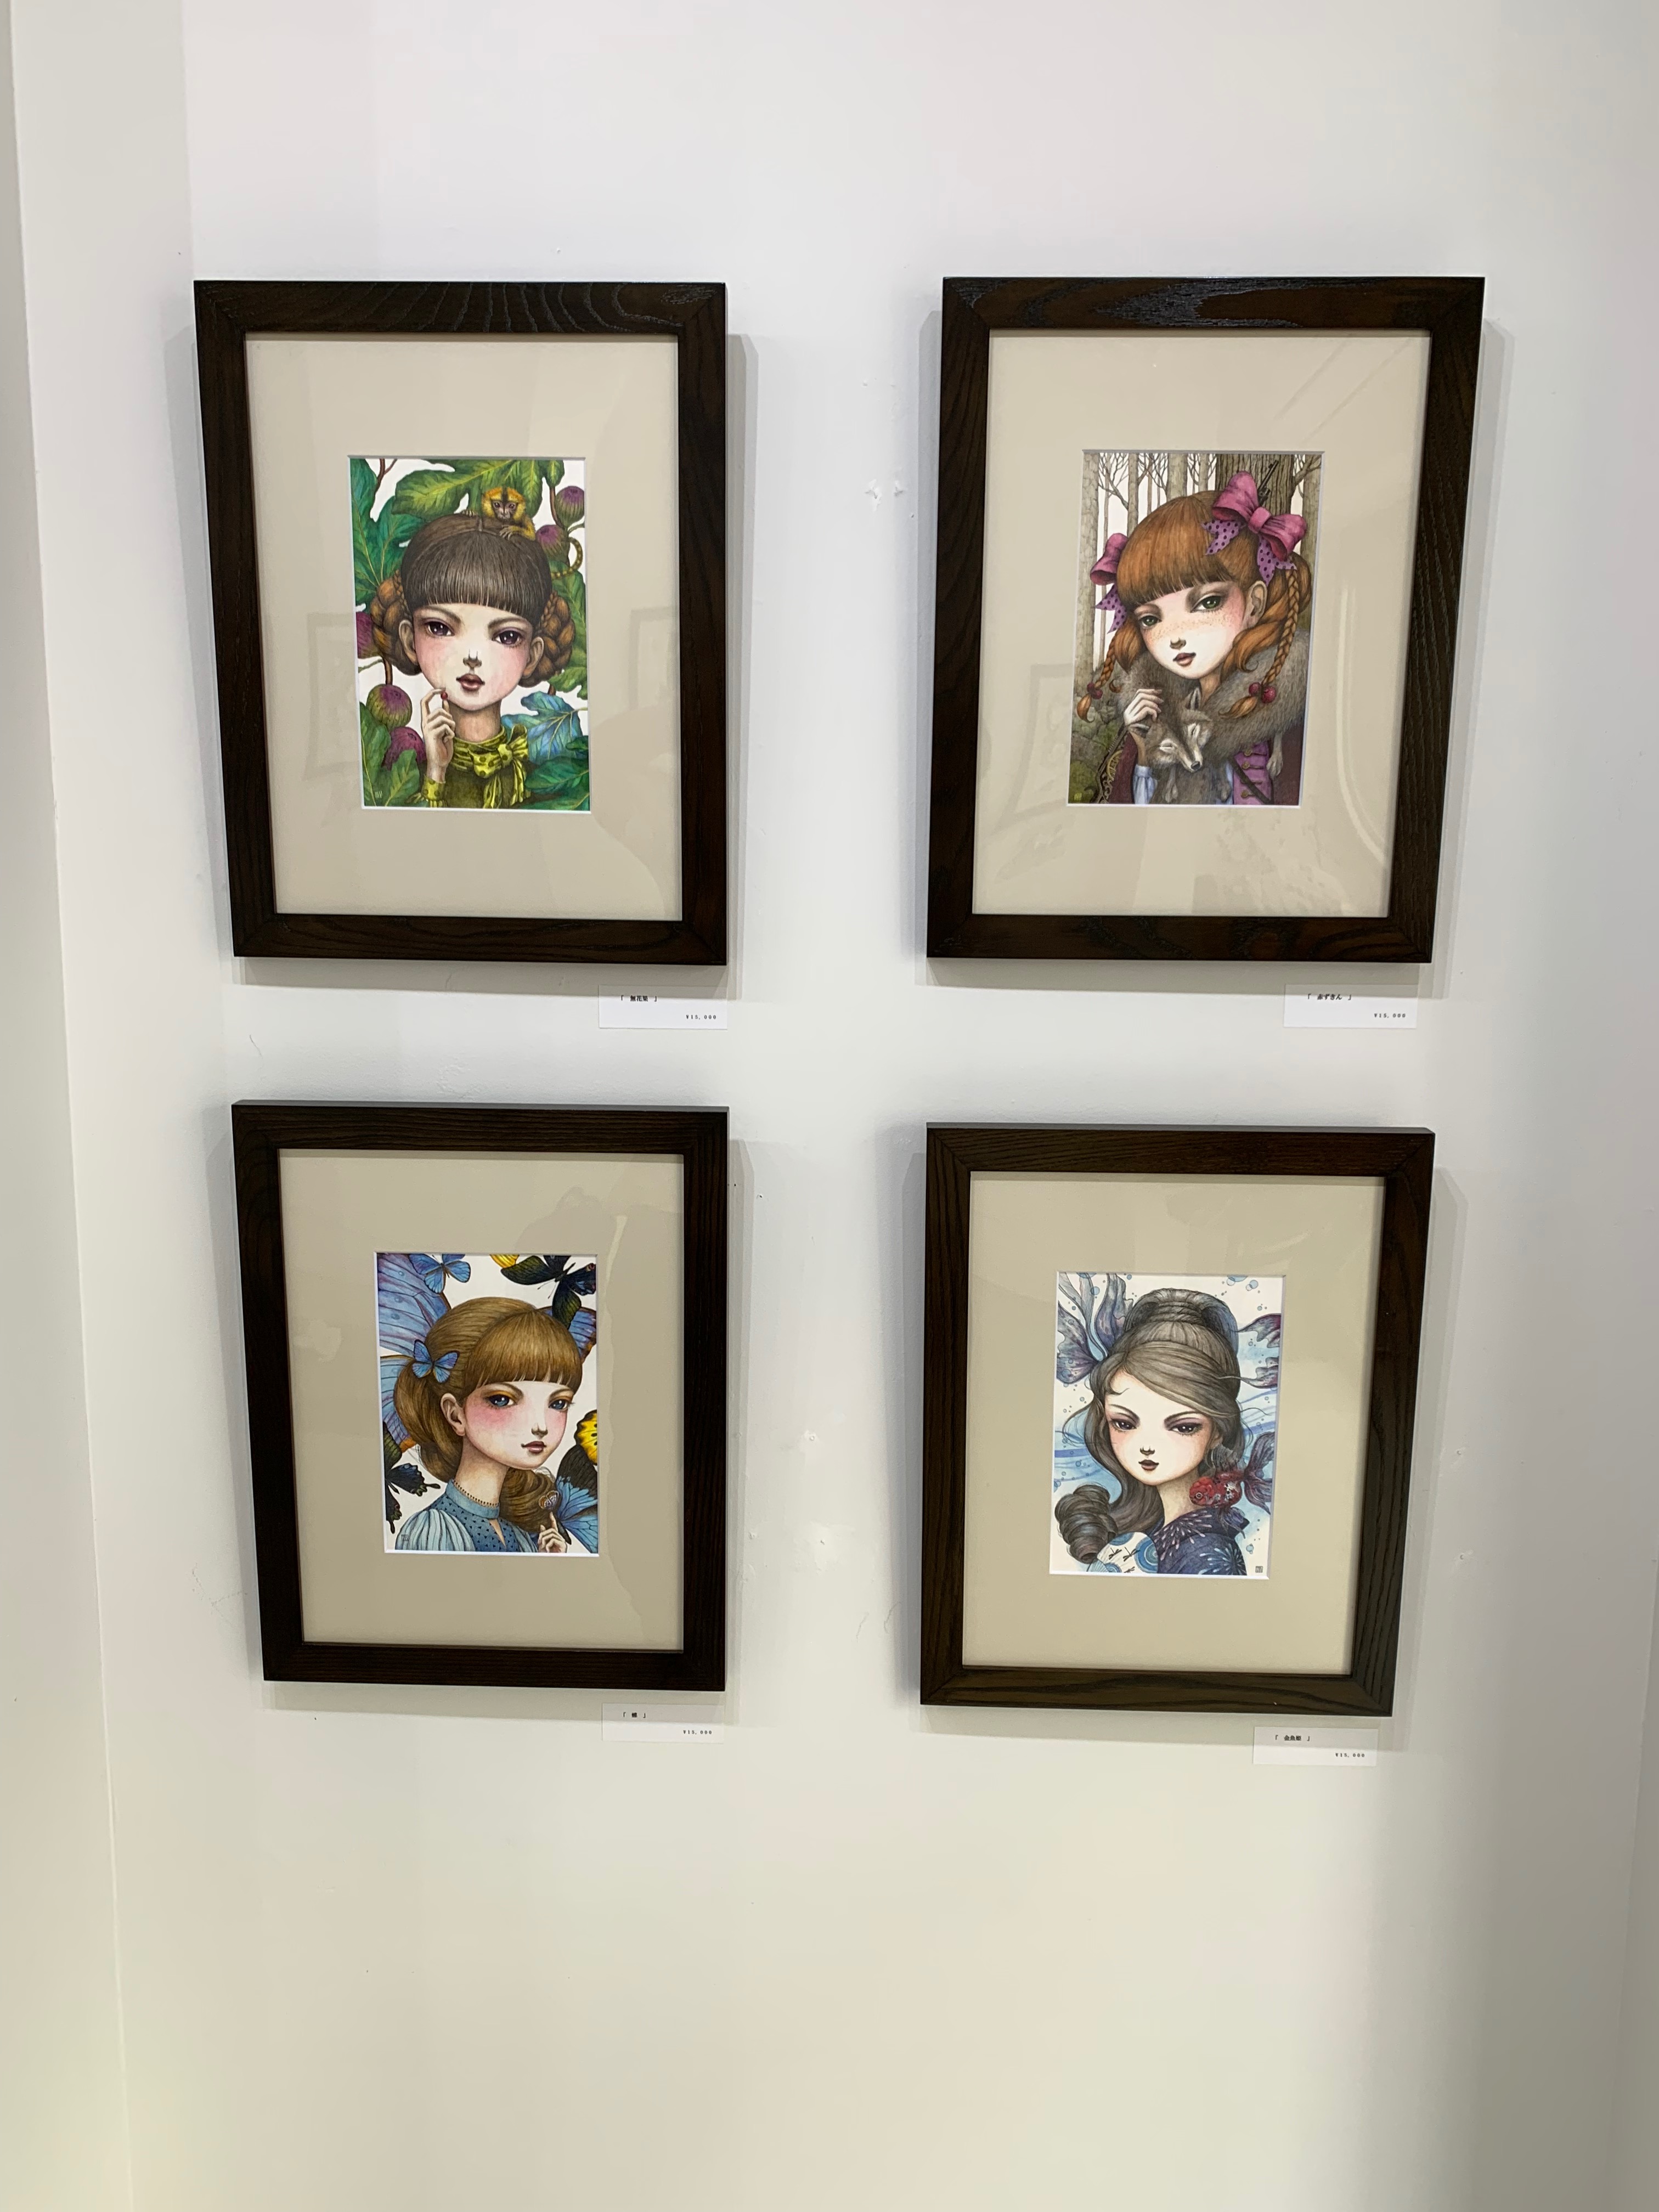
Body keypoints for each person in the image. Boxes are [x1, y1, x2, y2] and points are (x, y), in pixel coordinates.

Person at [1076, 473, 1312, 806]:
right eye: (1151, 619)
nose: (1176, 638)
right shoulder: (1156, 709)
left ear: (1255, 604)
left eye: (1208, 603)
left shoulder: (1285, 699)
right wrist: (1143, 747)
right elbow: (1131, 822)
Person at [369, 512, 575, 809]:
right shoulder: (399, 780)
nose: (473, 657)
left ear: (532, 655)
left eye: (507, 636)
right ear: (410, 640)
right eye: (440, 628)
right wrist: (436, 774)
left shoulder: (548, 779)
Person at [1054, 1288, 1254, 1576]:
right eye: (1124, 1423)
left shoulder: (1208, 1551)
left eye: (1183, 1427)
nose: (1147, 1445)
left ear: (1217, 1432)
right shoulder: (1151, 1528)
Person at [392, 1296, 589, 1552]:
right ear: (455, 1415)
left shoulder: (522, 1535)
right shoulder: (433, 1530)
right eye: (502, 1400)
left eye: (558, 1403)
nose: (540, 1426)